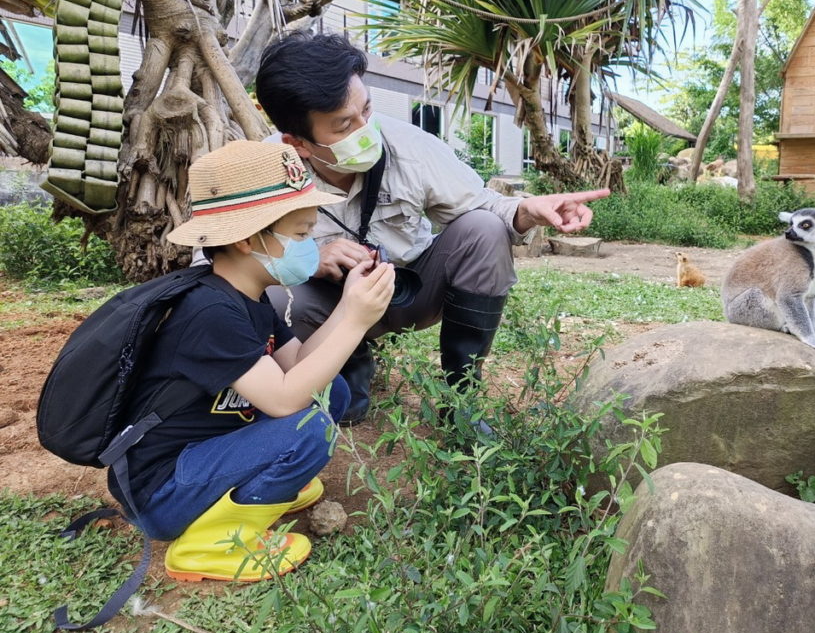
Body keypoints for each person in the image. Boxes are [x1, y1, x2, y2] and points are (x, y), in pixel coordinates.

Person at [254, 32, 609, 426]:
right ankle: (340, 375)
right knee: (272, 292)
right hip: (326, 305)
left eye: (366, 111)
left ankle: (460, 397)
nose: (365, 130)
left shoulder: (409, 145)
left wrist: (529, 209)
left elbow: (483, 205)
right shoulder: (263, 168)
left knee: (484, 228)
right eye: (343, 126)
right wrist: (307, 258)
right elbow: (219, 261)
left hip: (410, 293)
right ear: (297, 142)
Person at [130, 139, 394, 582]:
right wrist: (355, 322)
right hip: (164, 489)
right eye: (302, 235)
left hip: (203, 457)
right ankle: (209, 544)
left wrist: (351, 308)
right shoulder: (210, 312)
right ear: (251, 240)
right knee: (308, 429)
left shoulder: (251, 299)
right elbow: (285, 400)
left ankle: (259, 487)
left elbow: (301, 367)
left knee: (335, 390)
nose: (312, 247)